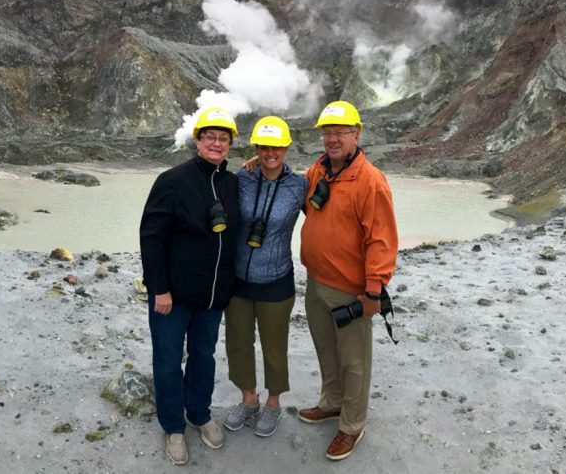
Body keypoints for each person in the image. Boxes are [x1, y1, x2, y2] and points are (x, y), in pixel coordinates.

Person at [139, 106, 241, 466]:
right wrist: (159, 288)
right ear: (197, 140)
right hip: (172, 296)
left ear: (230, 144)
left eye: (223, 138)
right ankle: (173, 426)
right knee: (168, 362)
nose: (216, 143)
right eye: (210, 136)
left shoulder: (232, 184)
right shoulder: (172, 180)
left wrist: (228, 287)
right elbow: (151, 237)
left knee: (204, 358)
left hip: (211, 296)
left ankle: (198, 413)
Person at [297, 100, 398, 461]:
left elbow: (381, 239)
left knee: (354, 360)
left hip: (351, 290)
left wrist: (374, 290)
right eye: (327, 132)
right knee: (327, 349)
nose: (333, 139)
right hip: (316, 283)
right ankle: (332, 402)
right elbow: (296, 195)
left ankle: (352, 425)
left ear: (357, 133)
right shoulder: (317, 172)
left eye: (340, 132)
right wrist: (255, 168)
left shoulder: (370, 181)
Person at [223, 116, 307, 438]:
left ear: (286, 147)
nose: (270, 152)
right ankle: (249, 400)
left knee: (274, 348)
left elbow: (327, 212)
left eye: (276, 146)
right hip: (239, 281)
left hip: (277, 281)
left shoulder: (300, 185)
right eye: (263, 147)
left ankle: (273, 404)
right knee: (238, 343)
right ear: (256, 148)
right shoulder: (241, 179)